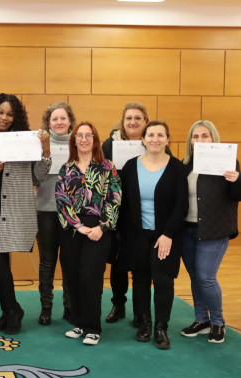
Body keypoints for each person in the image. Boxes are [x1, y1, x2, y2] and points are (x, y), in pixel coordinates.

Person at [0, 93, 51, 333]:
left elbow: (37, 176)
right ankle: (10, 311)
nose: (4, 118)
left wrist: (45, 150)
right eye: (0, 112)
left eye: (10, 114)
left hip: (11, 208)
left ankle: (12, 310)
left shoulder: (24, 139)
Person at [179, 120, 241, 343]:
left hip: (214, 231)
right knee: (194, 276)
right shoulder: (185, 165)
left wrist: (237, 179)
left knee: (206, 277)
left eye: (205, 136)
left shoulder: (227, 163)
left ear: (213, 139)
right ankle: (202, 319)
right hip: (187, 230)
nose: (200, 140)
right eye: (195, 136)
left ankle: (218, 322)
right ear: (190, 141)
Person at [117, 121, 187, 349]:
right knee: (140, 279)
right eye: (151, 135)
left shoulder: (177, 168)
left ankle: (161, 327)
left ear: (167, 139)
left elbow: (181, 205)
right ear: (143, 139)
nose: (155, 139)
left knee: (164, 281)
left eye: (160, 135)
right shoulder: (130, 166)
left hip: (165, 236)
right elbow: (124, 204)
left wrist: (168, 234)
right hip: (136, 236)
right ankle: (145, 323)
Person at [103, 102, 171, 326]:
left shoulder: (156, 143)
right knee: (118, 261)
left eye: (138, 118)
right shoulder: (109, 144)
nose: (133, 122)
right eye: (128, 118)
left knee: (142, 266)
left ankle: (142, 313)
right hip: (117, 211)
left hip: (143, 216)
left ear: (145, 122)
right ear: (123, 122)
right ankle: (118, 303)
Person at [56, 122, 121, 346]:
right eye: (79, 135)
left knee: (90, 277)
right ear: (73, 140)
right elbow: (61, 200)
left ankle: (93, 327)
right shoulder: (66, 169)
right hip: (72, 230)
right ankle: (80, 324)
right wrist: (77, 225)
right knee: (72, 277)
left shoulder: (107, 166)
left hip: (99, 229)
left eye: (88, 135)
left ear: (95, 140)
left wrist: (101, 227)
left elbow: (115, 198)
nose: (84, 139)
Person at [36, 102, 76, 324]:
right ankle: (46, 308)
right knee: (47, 261)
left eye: (63, 118)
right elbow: (37, 177)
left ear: (70, 120)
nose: (59, 122)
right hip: (45, 210)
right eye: (54, 119)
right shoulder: (39, 144)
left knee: (69, 261)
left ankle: (70, 307)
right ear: (48, 123)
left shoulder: (79, 142)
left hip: (72, 213)